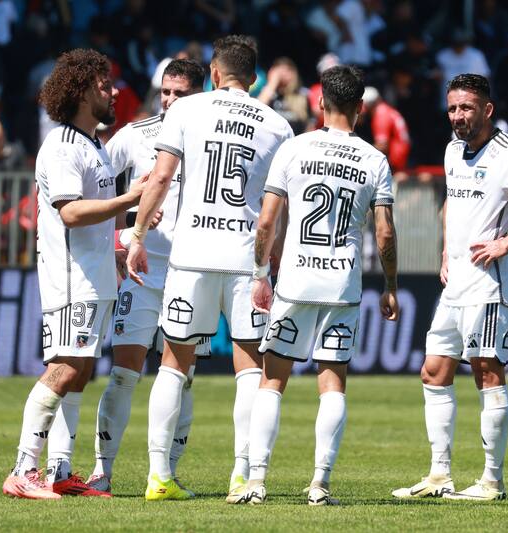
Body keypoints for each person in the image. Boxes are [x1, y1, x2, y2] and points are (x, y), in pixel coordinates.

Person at [126, 35, 294, 502]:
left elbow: (161, 177)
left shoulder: (186, 110)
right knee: (250, 368)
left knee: (174, 363)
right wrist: (272, 258)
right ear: (255, 78)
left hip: (192, 254)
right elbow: (277, 207)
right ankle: (241, 476)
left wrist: (137, 236)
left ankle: (158, 477)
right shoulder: (278, 125)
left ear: (215, 74)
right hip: (245, 260)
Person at [235, 65, 399, 506]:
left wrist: (259, 275)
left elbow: (266, 220)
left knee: (272, 382)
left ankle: (256, 481)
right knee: (333, 384)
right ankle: (320, 484)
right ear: (361, 108)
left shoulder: (294, 148)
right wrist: (390, 285)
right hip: (342, 284)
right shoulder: (374, 159)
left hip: (295, 281)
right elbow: (384, 233)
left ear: (319, 103)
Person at [392, 74, 508, 502]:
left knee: (487, 373)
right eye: (452, 108)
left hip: (491, 284)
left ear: (488, 109)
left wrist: (507, 242)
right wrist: (448, 250)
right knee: (433, 371)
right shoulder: (451, 149)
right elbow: (452, 202)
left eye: (466, 107)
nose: (458, 116)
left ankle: (491, 480)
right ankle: (439, 475)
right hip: (457, 282)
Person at [2, 48, 155, 500]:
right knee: (66, 367)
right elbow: (69, 212)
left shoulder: (93, 146)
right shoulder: (63, 144)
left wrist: (116, 245)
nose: (113, 92)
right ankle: (22, 469)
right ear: (83, 91)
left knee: (82, 369)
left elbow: (94, 218)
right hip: (70, 278)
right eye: (105, 85)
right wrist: (131, 199)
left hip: (93, 273)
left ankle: (59, 471)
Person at [85, 58, 207, 495]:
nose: (171, 100)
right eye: (166, 92)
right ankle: (102, 473)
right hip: (142, 273)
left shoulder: (213, 139)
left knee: (182, 376)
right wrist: (123, 233)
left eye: (181, 94)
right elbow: (90, 192)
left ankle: (166, 475)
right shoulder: (134, 136)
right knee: (123, 373)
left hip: (193, 271)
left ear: (202, 93)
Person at [360, 86, 411, 177]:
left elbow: (382, 146)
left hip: (395, 161)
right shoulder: (386, 109)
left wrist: (358, 151)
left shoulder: (381, 114)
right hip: (402, 156)